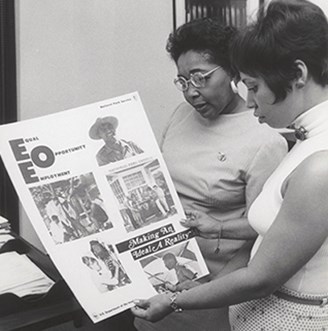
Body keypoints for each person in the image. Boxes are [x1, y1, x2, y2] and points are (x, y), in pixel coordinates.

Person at [131, 1, 328, 330]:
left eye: (253, 87)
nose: (250, 100)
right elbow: (264, 246)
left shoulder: (318, 165)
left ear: (298, 75)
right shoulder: (307, 140)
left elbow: (261, 277)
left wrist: (175, 300)